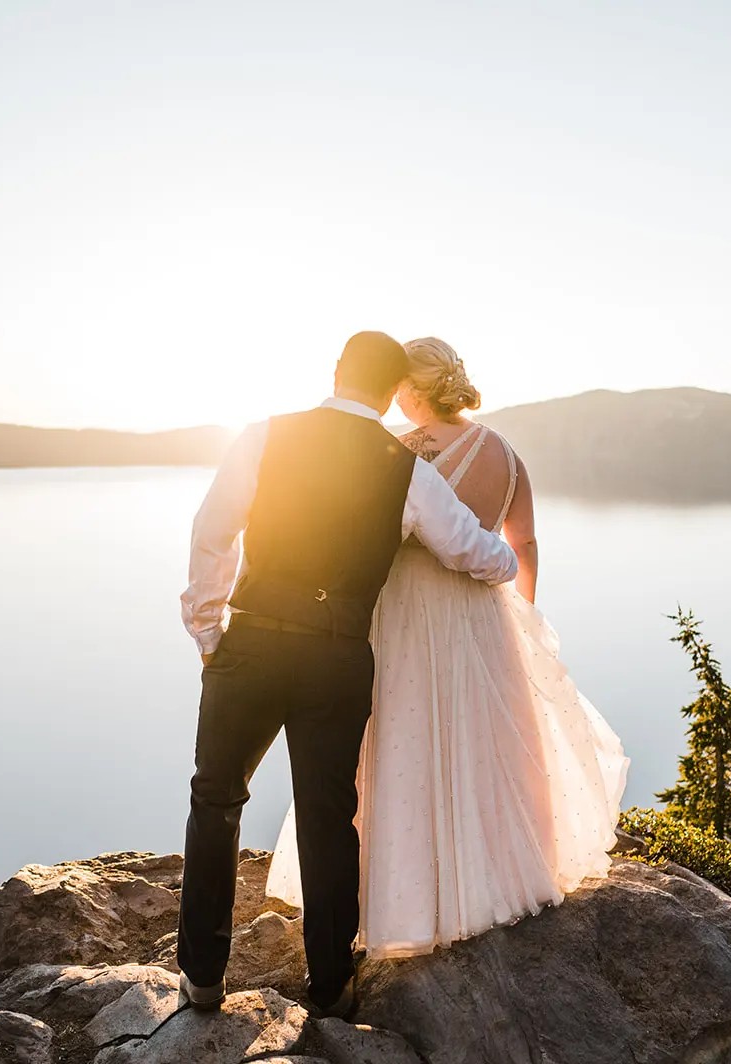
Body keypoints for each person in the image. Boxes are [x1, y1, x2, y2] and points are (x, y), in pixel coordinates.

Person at [176, 331, 518, 1019]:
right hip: (336, 657)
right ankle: (331, 984)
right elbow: (468, 550)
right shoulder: (406, 470)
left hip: (253, 643)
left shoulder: (265, 436)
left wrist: (209, 631)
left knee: (215, 800)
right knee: (331, 818)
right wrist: (508, 563)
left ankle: (204, 978)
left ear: (335, 372)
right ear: (394, 389)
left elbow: (213, 531)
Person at [266, 337, 628, 963]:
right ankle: (496, 881)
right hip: (481, 616)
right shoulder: (505, 455)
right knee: (484, 749)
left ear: (410, 388)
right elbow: (525, 544)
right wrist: (523, 615)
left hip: (400, 615)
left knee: (398, 746)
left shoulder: (398, 453)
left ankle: (398, 901)